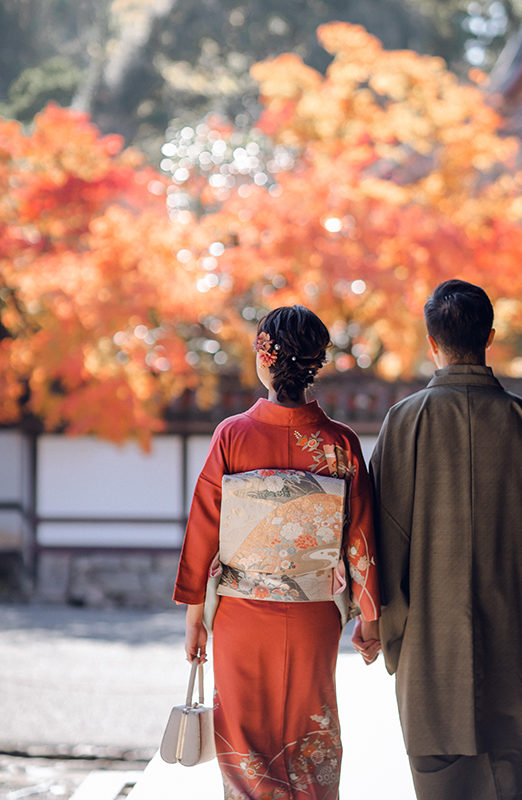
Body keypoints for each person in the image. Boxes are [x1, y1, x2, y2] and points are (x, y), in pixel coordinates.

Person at [370, 279, 522, 800]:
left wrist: (380, 625)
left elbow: (374, 541)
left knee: (437, 772)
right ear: (490, 336)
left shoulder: (403, 425)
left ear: (432, 342)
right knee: (506, 764)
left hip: (428, 645)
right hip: (508, 640)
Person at [174, 305, 381, 800]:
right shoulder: (340, 443)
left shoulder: (233, 436)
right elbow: (360, 538)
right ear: (316, 364)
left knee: (245, 745)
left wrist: (195, 616)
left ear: (265, 360)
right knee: (310, 736)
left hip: (242, 614)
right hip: (313, 613)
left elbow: (205, 528)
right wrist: (368, 620)